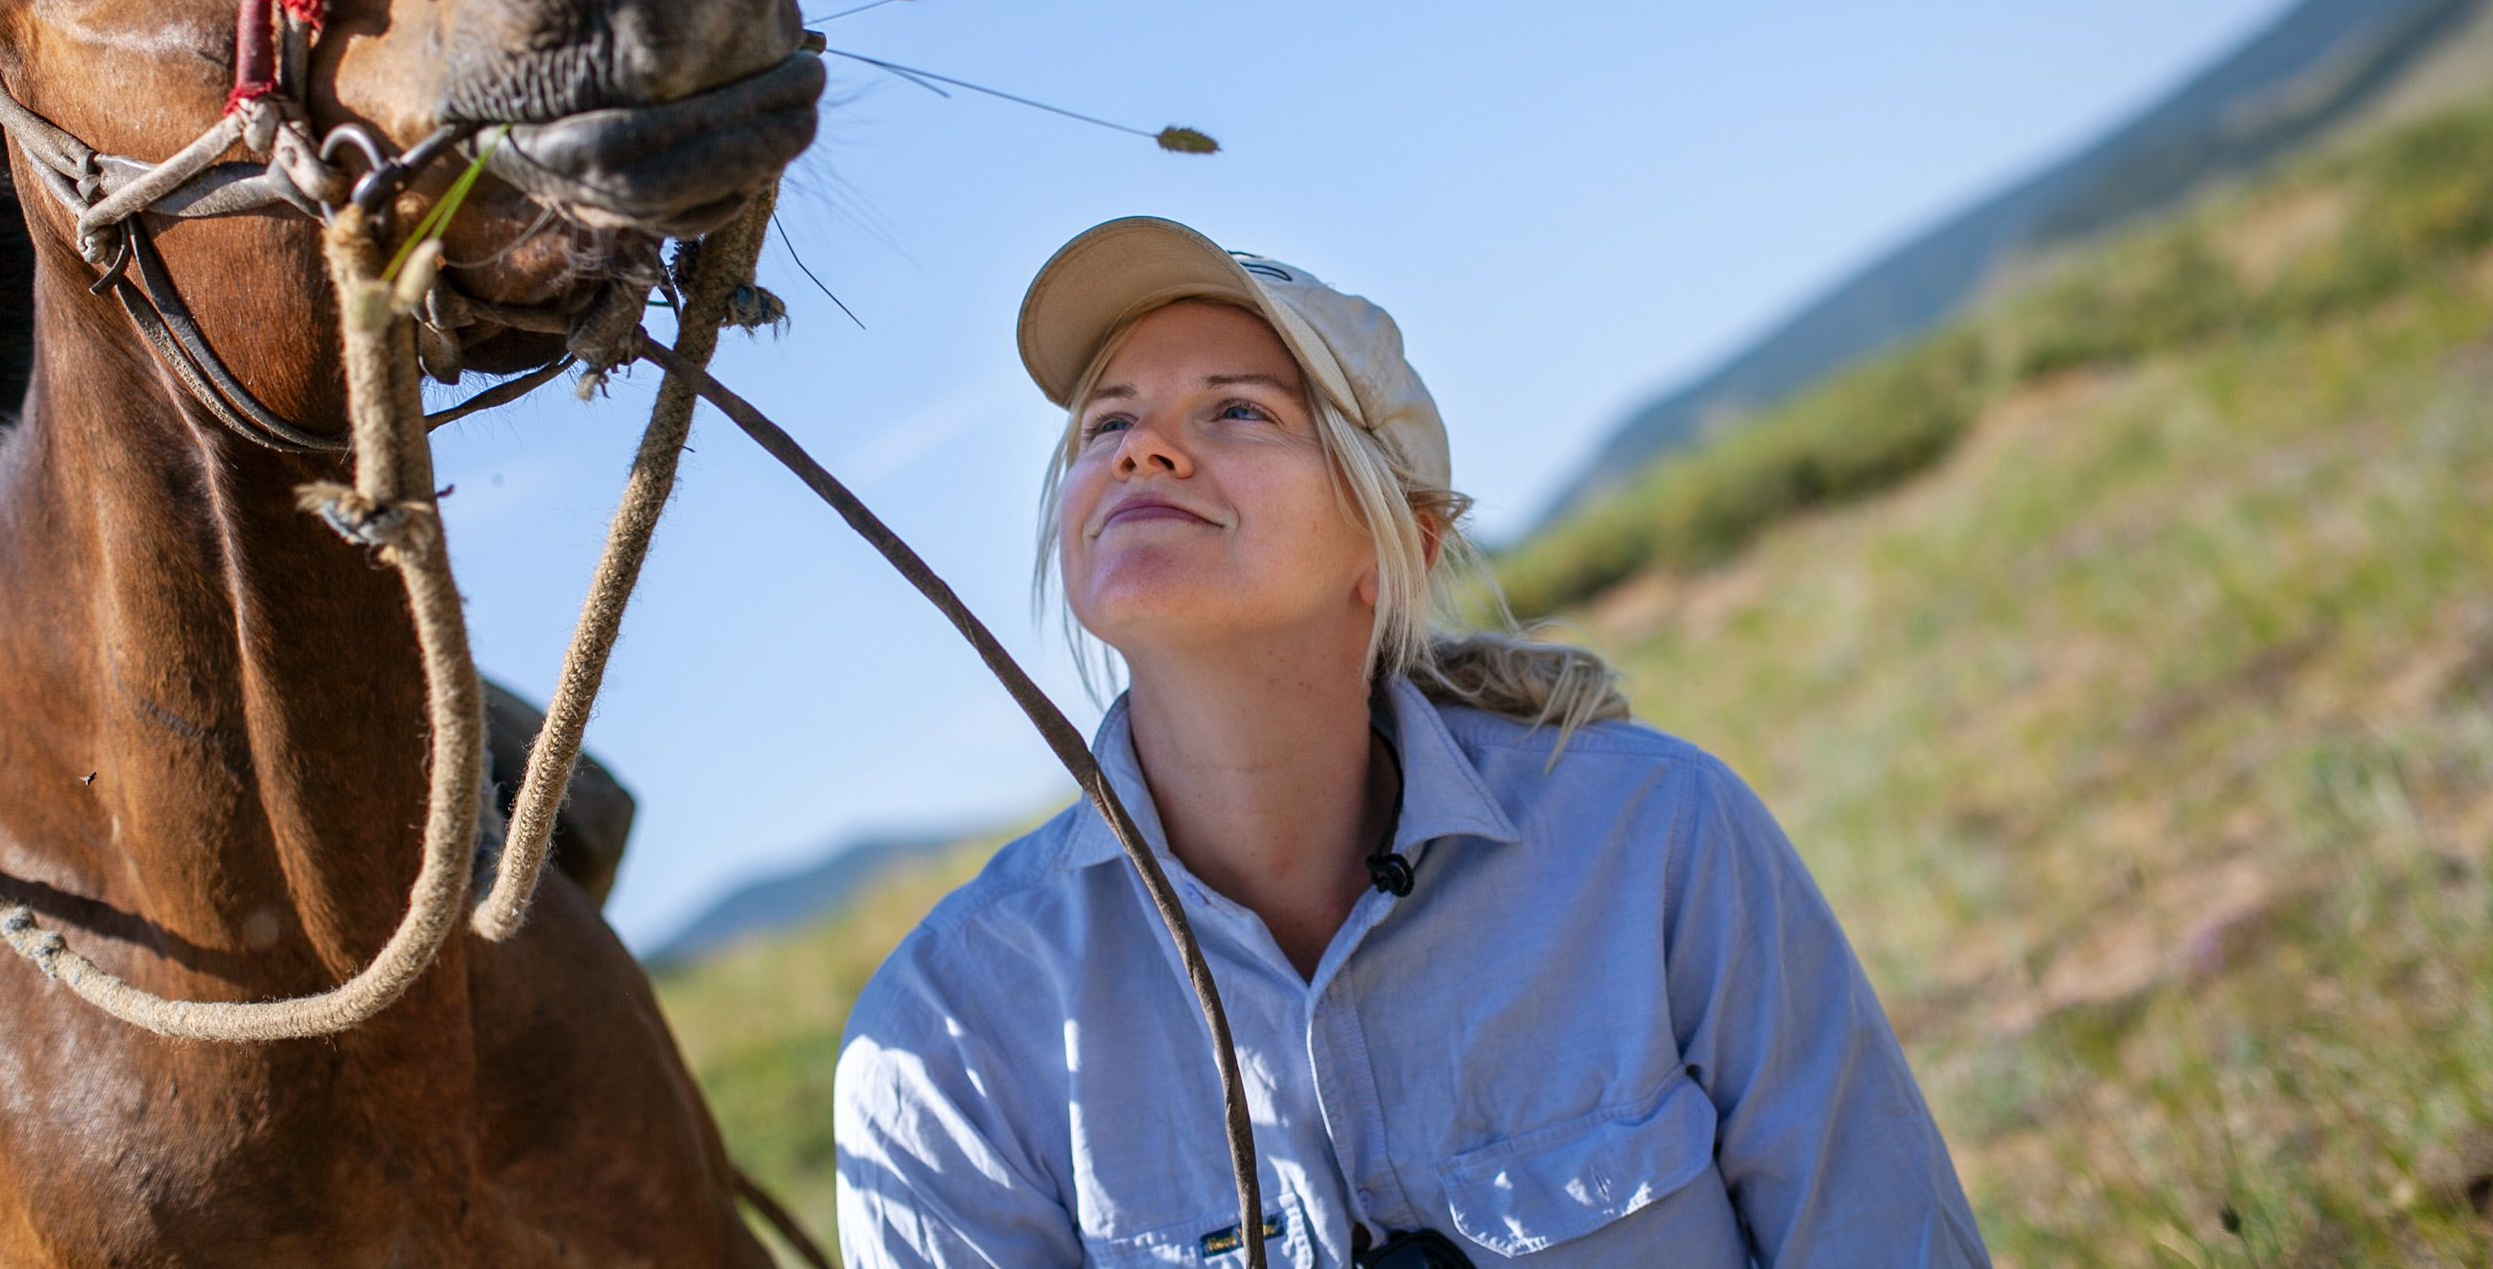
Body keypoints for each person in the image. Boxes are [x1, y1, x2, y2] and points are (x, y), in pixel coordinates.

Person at [833, 216, 1991, 1267]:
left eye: (1237, 409)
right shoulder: (944, 1043)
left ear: (1398, 546)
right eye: (1107, 421)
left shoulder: (1656, 838)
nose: (1143, 449)